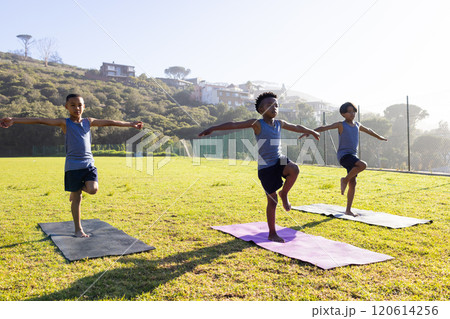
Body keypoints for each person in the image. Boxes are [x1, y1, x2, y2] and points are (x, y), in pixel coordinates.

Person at [0, 94, 143, 237]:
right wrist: (14, 120)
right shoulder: (65, 123)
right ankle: (78, 229)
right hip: (73, 166)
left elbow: (110, 122)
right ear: (66, 107)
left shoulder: (89, 122)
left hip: (88, 165)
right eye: (73, 105)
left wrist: (130, 124)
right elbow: (39, 120)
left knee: (93, 190)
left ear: (84, 107)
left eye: (80, 105)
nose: (77, 108)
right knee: (77, 199)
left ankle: (74, 188)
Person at [199, 92, 320, 242]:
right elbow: (234, 124)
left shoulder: (279, 123)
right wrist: (214, 128)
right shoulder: (257, 124)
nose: (274, 108)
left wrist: (311, 131)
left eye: (276, 105)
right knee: (272, 201)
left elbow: (295, 126)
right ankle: (272, 233)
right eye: (270, 105)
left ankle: (285, 194)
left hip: (279, 160)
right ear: (261, 109)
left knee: (294, 169)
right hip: (266, 168)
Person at [302, 102, 387, 216]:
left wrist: (379, 137)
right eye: (349, 112)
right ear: (343, 114)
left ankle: (348, 210)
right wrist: (310, 132)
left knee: (353, 182)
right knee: (363, 165)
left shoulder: (358, 125)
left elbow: (369, 130)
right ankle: (344, 180)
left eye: (353, 111)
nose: (352, 113)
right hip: (344, 156)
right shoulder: (341, 125)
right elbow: (324, 127)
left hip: (353, 156)